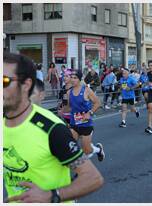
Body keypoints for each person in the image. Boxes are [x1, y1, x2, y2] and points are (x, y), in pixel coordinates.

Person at [3, 52, 103, 203]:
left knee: (86, 148)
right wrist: (64, 110)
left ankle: (95, 151)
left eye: (4, 81)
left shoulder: (52, 129)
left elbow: (93, 178)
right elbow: (68, 105)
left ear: (26, 85)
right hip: (74, 121)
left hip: (85, 123)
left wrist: (53, 195)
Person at [67, 69, 105, 161]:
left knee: (87, 150)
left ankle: (98, 149)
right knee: (71, 149)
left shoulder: (86, 90)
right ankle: (78, 170)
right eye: (71, 77)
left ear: (80, 79)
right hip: (74, 123)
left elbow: (97, 102)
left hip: (85, 123)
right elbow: (69, 108)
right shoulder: (69, 92)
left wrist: (90, 113)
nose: (72, 80)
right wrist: (64, 113)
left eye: (75, 78)